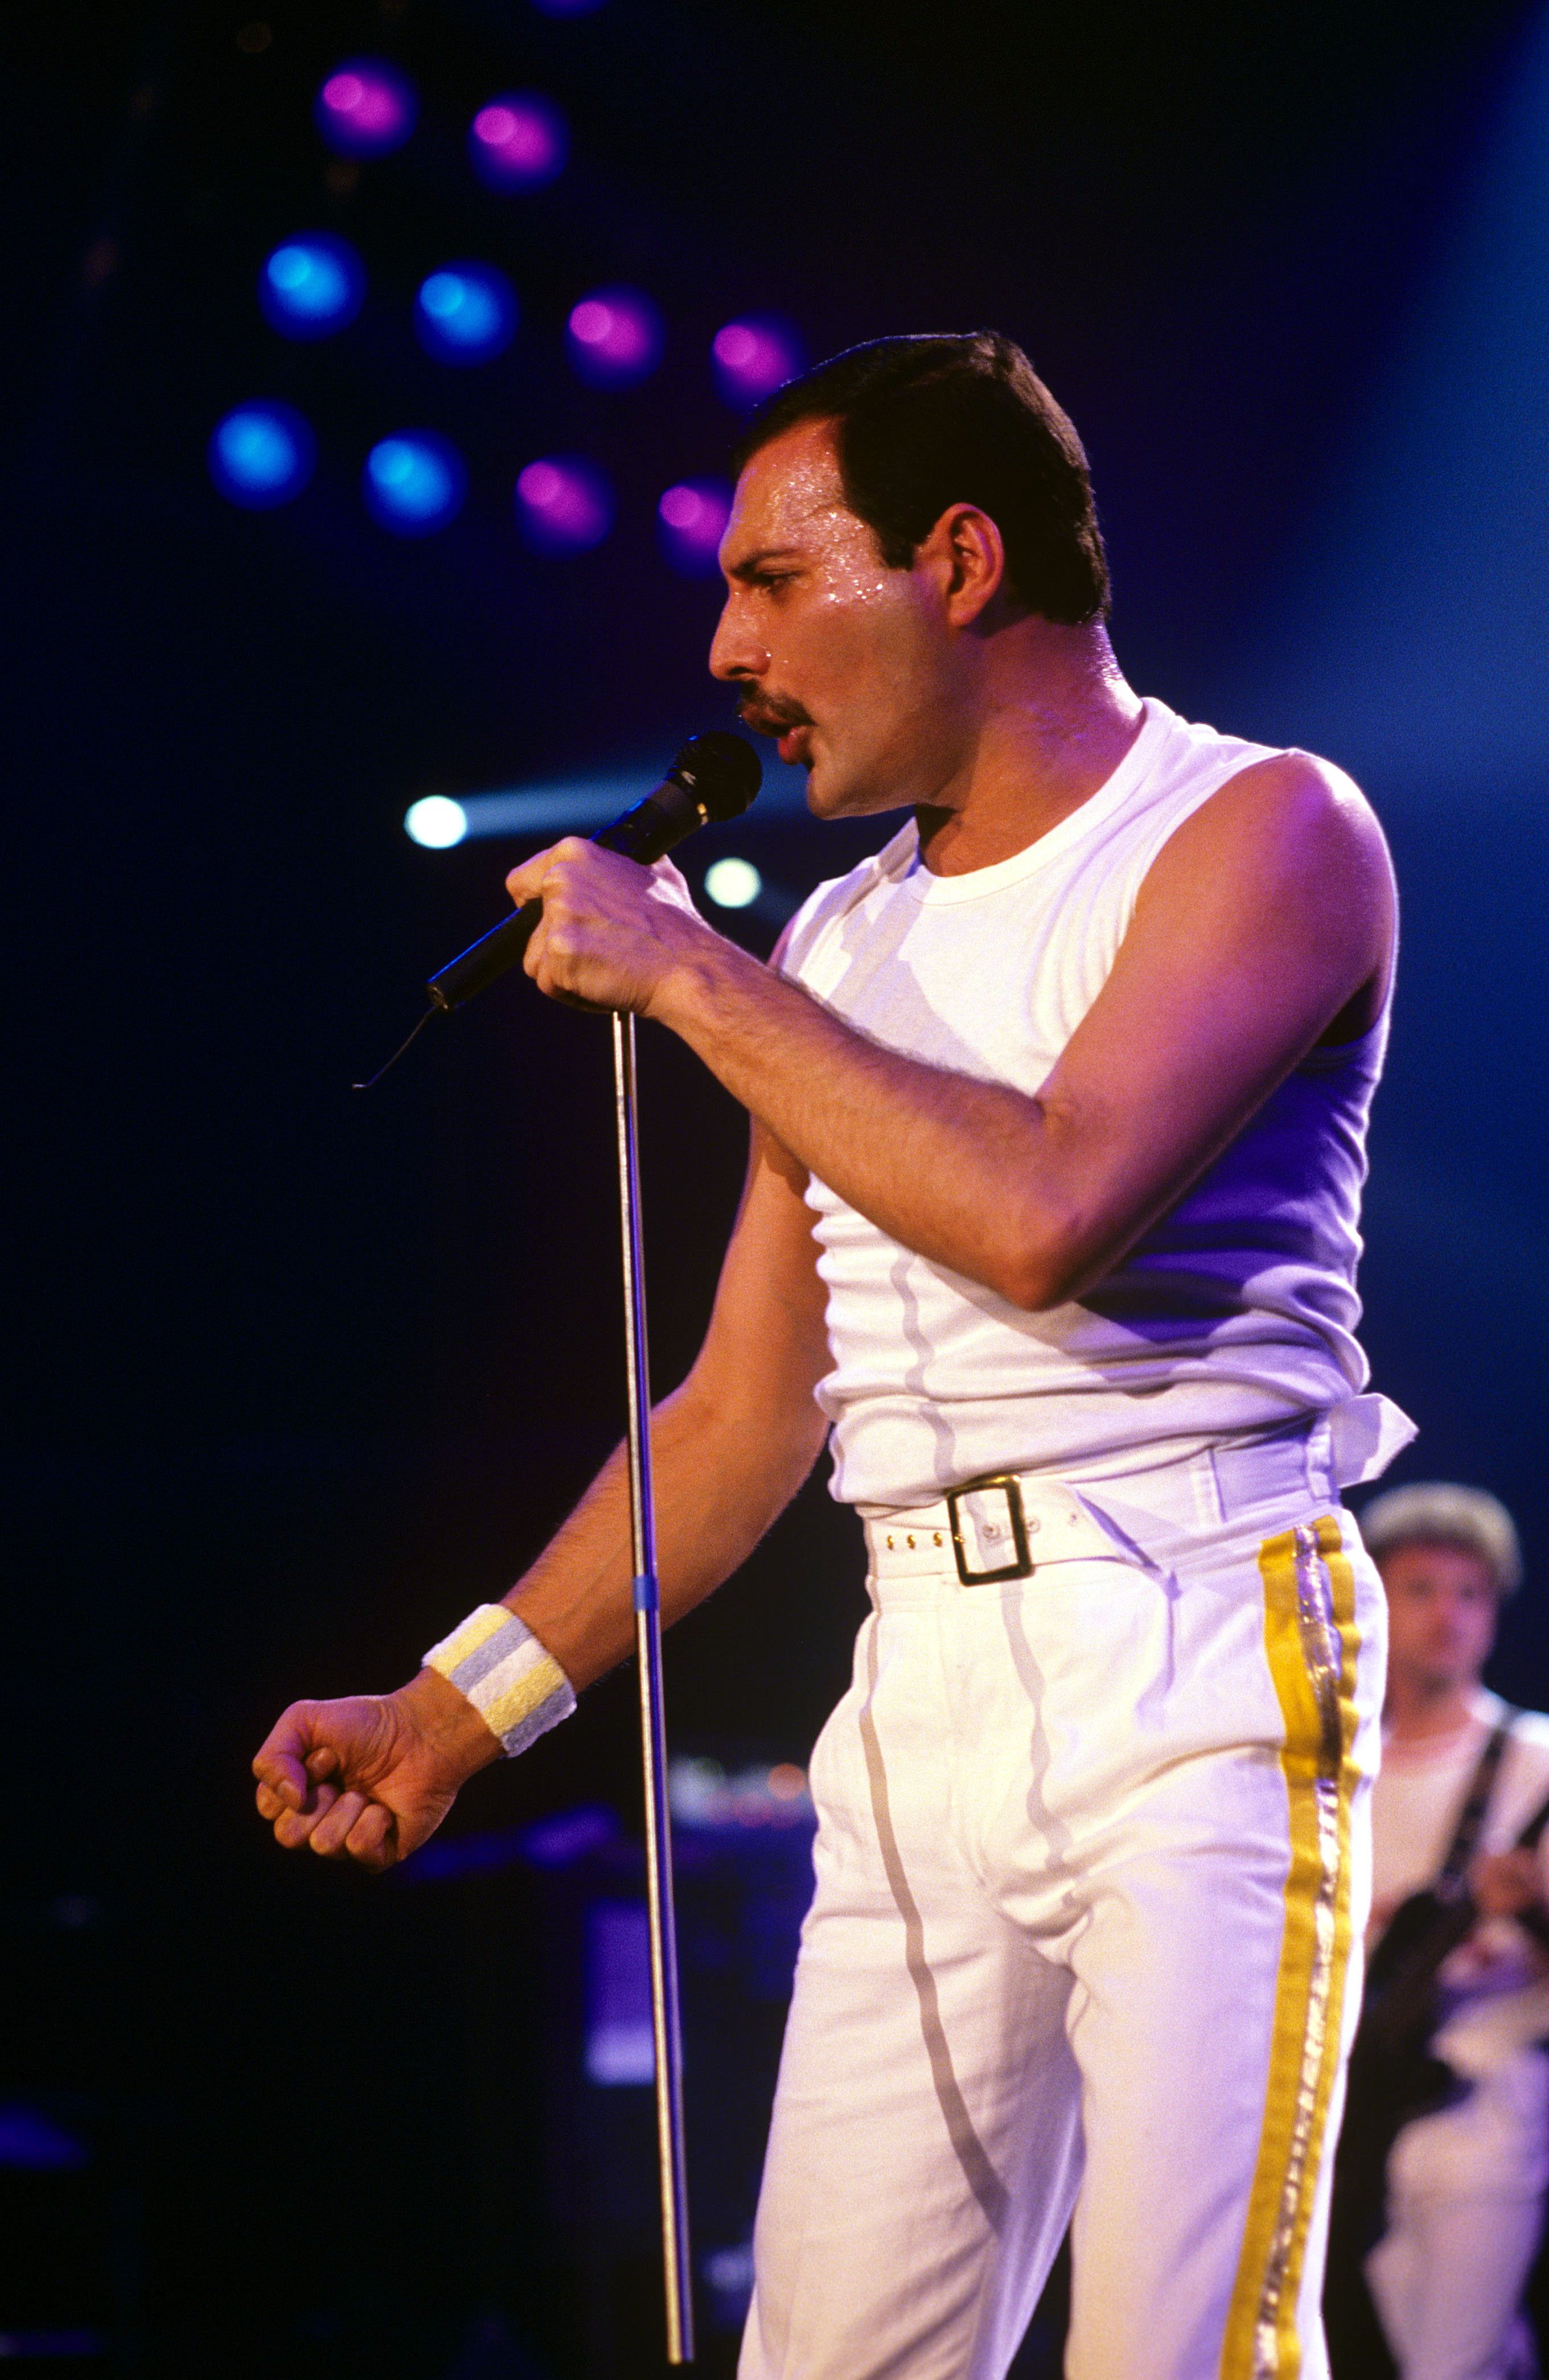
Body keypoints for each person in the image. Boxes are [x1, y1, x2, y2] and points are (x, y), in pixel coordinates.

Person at [254, 332, 1415, 2379]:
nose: (724, 646)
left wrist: (692, 972)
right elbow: (737, 1414)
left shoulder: (1261, 830)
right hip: (920, 1694)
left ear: (958, 561)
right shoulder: (837, 948)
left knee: (1190, 2353)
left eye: (771, 580)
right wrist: (451, 1713)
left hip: (1201, 1651)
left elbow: (1052, 1217)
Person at [1343, 1482, 1549, 2380]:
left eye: (1470, 1593)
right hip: (1356, 2105)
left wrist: (1532, 1909)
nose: (1448, 1614)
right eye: (1422, 1588)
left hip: (1482, 2100)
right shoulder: (1338, 1761)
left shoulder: (1534, 1757)